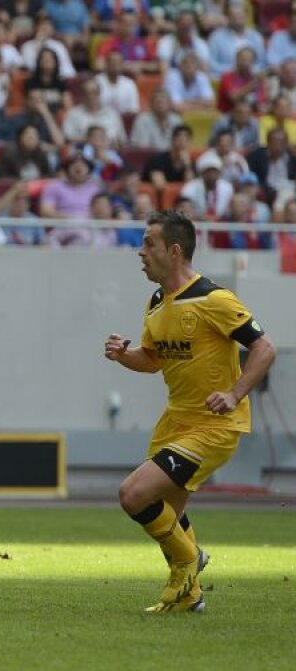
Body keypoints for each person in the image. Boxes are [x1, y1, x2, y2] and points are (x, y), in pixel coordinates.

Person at [104, 209, 274, 613]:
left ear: (175, 250)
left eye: (149, 243)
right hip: (174, 421)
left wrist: (234, 394)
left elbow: (264, 349)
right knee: (168, 515)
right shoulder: (157, 301)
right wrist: (123, 355)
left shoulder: (214, 299)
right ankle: (190, 597)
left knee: (133, 494)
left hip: (214, 425)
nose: (140, 251)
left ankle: (189, 559)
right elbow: (152, 359)